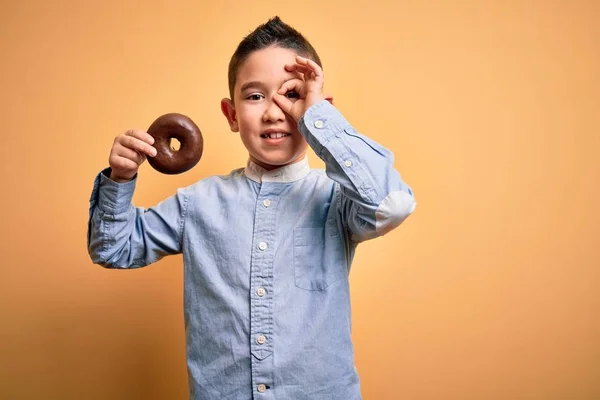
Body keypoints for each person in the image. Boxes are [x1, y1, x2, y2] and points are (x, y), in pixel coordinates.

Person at [88, 16, 416, 400]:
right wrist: (121, 178)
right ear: (231, 115)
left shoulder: (336, 201)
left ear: (317, 109)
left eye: (291, 94)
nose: (274, 112)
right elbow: (112, 248)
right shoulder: (197, 204)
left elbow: (392, 204)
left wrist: (319, 121)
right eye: (255, 96)